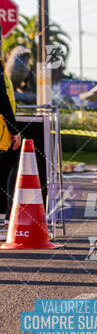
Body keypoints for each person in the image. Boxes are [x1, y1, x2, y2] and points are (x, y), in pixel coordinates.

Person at [0, 57, 21, 240]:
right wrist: (15, 130)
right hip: (3, 133)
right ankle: (8, 216)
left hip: (4, 134)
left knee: (15, 164)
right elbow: (2, 99)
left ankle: (9, 214)